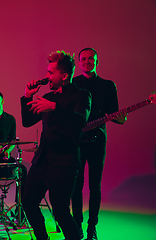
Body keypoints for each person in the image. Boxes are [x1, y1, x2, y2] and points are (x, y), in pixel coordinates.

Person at [20, 51, 91, 240]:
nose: (46, 77)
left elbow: (80, 120)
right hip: (43, 161)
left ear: (64, 76)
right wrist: (27, 97)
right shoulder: (48, 96)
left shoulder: (81, 95)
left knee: (60, 212)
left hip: (64, 163)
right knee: (28, 203)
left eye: (50, 73)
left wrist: (54, 108)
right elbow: (27, 121)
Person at [71, 48, 127, 240]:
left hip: (97, 141)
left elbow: (115, 114)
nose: (87, 62)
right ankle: (76, 227)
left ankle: (91, 228)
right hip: (76, 141)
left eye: (90, 59)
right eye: (83, 59)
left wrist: (121, 119)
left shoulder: (108, 85)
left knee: (95, 186)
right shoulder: (73, 84)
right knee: (76, 186)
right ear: (79, 62)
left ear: (97, 61)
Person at [0, 90, 27, 222]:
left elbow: (12, 141)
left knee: (22, 170)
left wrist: (8, 150)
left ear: (2, 101)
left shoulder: (11, 119)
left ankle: (20, 209)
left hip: (4, 157)